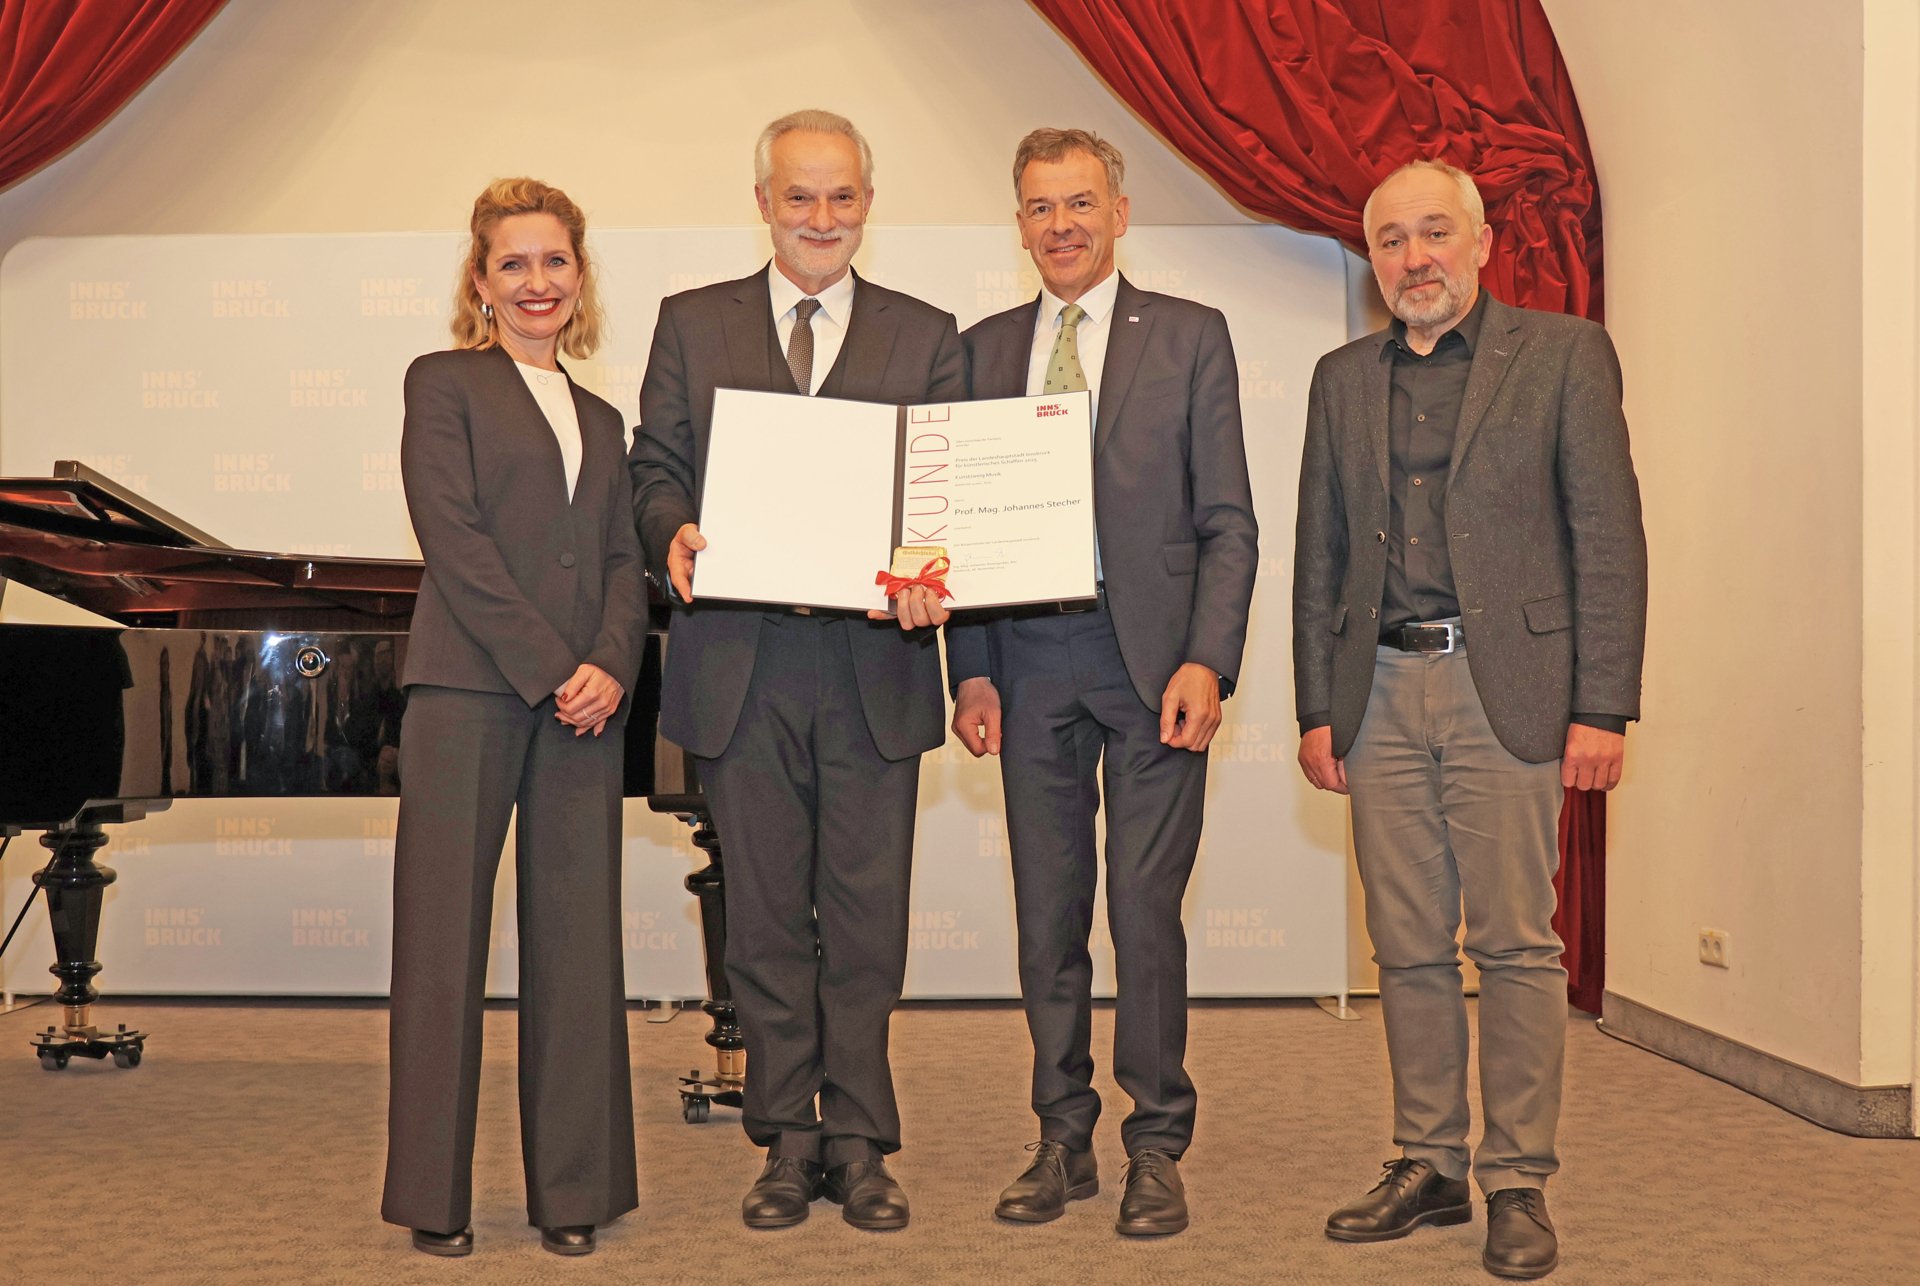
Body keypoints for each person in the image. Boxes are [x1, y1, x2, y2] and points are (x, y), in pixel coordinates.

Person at [1293, 159, 1647, 1280]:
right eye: (1391, 241)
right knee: (1404, 945)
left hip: (1512, 690)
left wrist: (1603, 703)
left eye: (1434, 232)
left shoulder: (1562, 355)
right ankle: (1431, 1160)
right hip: (1380, 693)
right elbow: (1322, 554)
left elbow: (1609, 537)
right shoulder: (1341, 377)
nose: (1415, 258)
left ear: (1485, 242)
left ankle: (1518, 1177)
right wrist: (1317, 705)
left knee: (1514, 943)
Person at [628, 109, 965, 1232]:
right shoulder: (691, 322)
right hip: (742, 660)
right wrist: (669, 528)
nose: (822, 217)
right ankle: (786, 1137)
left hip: (876, 661)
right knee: (766, 916)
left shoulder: (930, 333)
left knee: (866, 919)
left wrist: (933, 566)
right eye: (799, 195)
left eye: (844, 196)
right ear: (764, 200)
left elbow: (944, 497)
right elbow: (655, 466)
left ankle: (861, 1136)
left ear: (869, 201)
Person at [946, 127, 1258, 1238]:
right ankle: (1061, 1134)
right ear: (1019, 220)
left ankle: (1156, 1141)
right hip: (1025, 662)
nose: (1062, 224)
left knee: (1143, 910)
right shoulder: (977, 351)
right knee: (1049, 914)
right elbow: (954, 536)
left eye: (1081, 203)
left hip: (1154, 666)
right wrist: (970, 672)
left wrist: (1208, 659)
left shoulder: (1189, 336)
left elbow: (1229, 522)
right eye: (1040, 207)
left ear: (1120, 213)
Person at [382, 177, 645, 1259]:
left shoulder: (604, 416)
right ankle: (433, 1198)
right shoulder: (443, 383)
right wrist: (553, 666)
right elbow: (455, 541)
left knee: (579, 945)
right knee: (442, 947)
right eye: (514, 263)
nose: (538, 282)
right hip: (469, 691)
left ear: (579, 278)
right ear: (480, 283)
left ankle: (572, 1191)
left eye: (556, 261)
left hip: (586, 704)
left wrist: (610, 665)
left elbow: (626, 561)